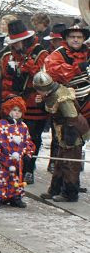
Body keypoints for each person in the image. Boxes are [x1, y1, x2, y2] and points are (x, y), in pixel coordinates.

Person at [0, 19, 46, 185]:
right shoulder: (7, 56)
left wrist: (28, 69)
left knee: (33, 138)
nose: (16, 45)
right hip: (14, 104)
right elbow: (3, 81)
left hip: (34, 104)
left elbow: (45, 79)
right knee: (12, 137)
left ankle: (28, 169)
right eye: (14, 42)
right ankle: (13, 168)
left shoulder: (41, 54)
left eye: (18, 42)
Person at [34, 71, 89, 202]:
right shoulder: (51, 93)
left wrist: (70, 137)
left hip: (72, 131)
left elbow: (71, 116)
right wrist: (42, 103)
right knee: (59, 162)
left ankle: (70, 193)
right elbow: (52, 109)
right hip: (62, 130)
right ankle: (55, 189)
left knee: (70, 164)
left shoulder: (61, 95)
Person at [0, 97, 36, 208]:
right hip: (3, 160)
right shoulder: (2, 124)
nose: (16, 113)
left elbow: (28, 141)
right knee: (0, 178)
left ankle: (15, 197)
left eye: (19, 111)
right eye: (14, 110)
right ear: (8, 110)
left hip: (17, 161)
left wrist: (28, 153)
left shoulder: (23, 127)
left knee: (16, 178)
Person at [44, 22, 90, 120]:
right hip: (65, 101)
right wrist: (77, 68)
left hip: (87, 99)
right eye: (72, 37)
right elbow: (53, 73)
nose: (76, 39)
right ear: (66, 38)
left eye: (79, 37)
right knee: (71, 129)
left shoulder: (87, 52)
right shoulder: (58, 54)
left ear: (84, 39)